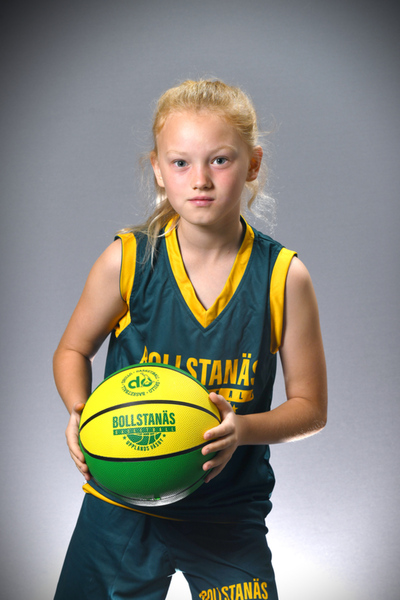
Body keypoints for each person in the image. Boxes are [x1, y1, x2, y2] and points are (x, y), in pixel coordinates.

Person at [53, 79, 327, 600]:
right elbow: (72, 350)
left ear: (253, 164)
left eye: (220, 160)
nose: (200, 179)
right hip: (119, 506)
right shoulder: (128, 260)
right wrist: (78, 410)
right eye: (180, 163)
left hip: (227, 512)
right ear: (158, 168)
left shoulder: (283, 277)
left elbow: (311, 409)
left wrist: (241, 430)